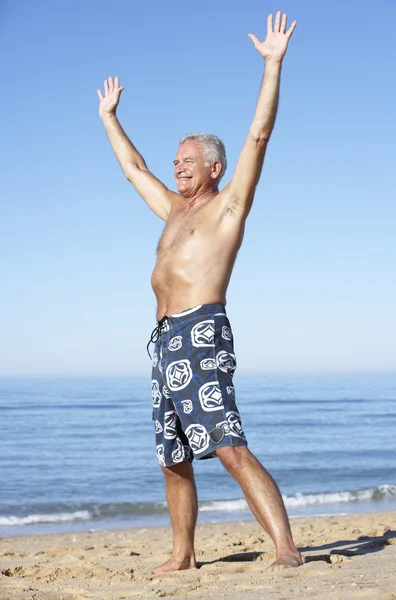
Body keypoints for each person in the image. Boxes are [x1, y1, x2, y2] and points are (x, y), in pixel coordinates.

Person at [97, 11, 302, 573]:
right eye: (176, 162)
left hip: (201, 330)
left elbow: (259, 133)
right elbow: (134, 169)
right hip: (164, 341)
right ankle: (183, 555)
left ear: (214, 167)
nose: (177, 168)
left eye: (187, 162)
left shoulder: (227, 208)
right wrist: (109, 119)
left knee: (228, 446)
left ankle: (286, 548)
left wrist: (273, 65)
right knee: (173, 457)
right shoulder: (173, 210)